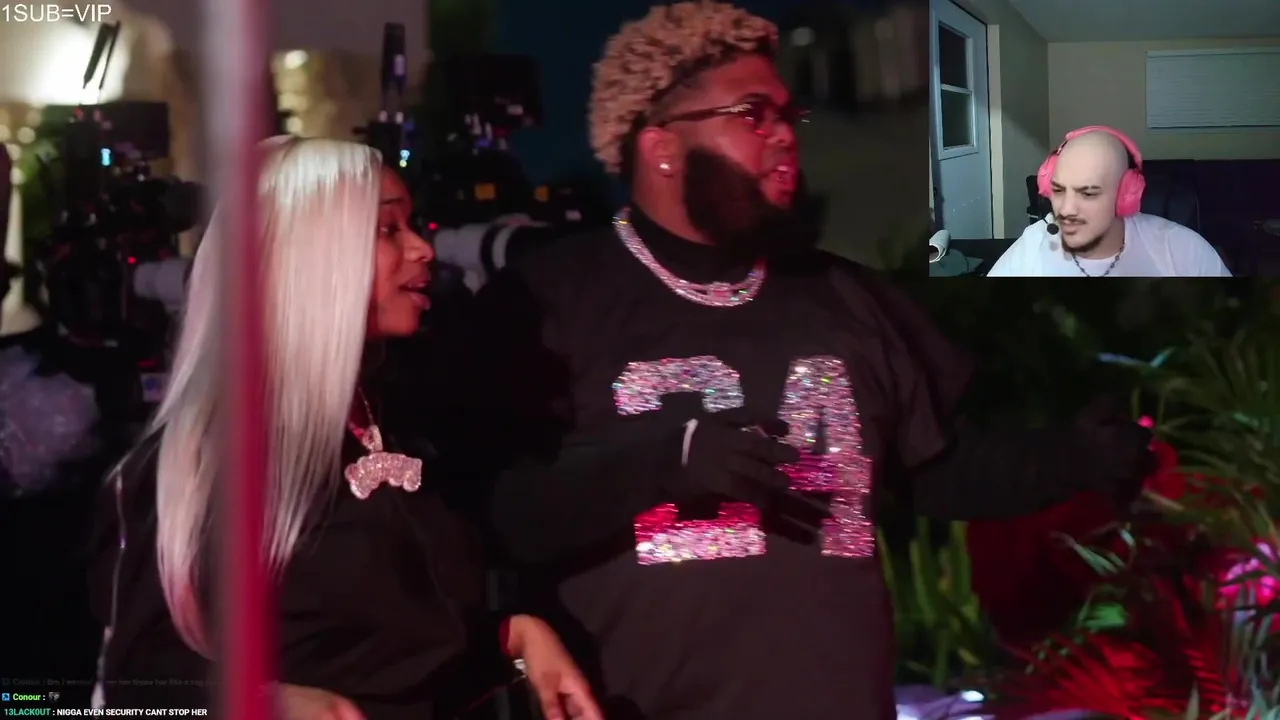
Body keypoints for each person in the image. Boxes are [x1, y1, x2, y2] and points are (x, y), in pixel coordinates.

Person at [425, 4, 1157, 719]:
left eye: (786, 114)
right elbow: (496, 514)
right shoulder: (547, 304)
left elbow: (936, 472)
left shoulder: (845, 299)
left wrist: (1073, 457)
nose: (782, 135)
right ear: (661, 147)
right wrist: (664, 463)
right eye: (752, 114)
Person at [87, 137, 603, 720]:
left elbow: (392, 670)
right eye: (388, 230)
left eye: (412, 226)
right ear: (310, 255)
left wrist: (514, 640)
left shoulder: (397, 423)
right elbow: (134, 689)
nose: (423, 248)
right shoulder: (202, 463)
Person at [987, 126, 1231, 277]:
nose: (1066, 210)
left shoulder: (1184, 251)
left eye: (1088, 194)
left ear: (1125, 195)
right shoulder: (1031, 248)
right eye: (1058, 190)